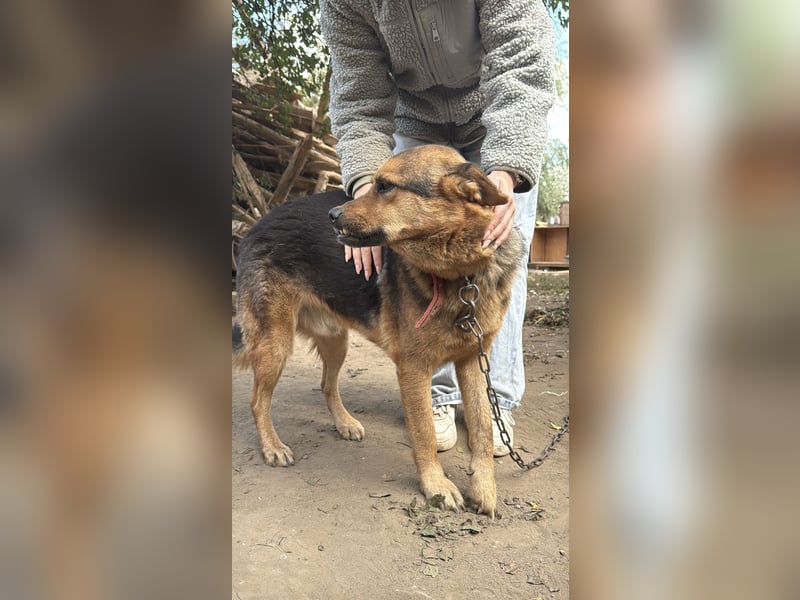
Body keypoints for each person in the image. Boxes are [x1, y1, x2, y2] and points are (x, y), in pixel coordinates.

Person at [320, 0, 555, 455]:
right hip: (414, 125)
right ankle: (441, 393)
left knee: (502, 249)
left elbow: (522, 60)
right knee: (418, 264)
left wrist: (506, 169)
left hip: (495, 114)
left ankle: (496, 395)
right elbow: (358, 94)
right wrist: (370, 190)